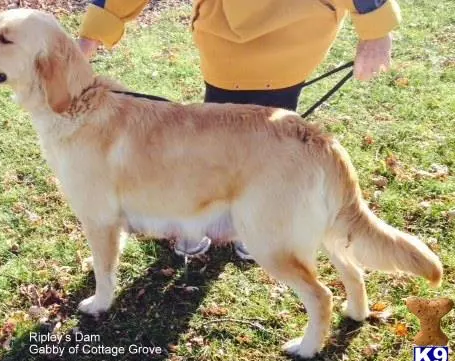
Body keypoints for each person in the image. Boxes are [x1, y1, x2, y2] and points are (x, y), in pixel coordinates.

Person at [77, 0, 400, 259]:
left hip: (292, 37)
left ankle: (249, 227)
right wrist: (95, 29)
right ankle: (208, 226)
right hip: (231, 41)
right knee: (221, 140)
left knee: (265, 145)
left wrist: (376, 28)